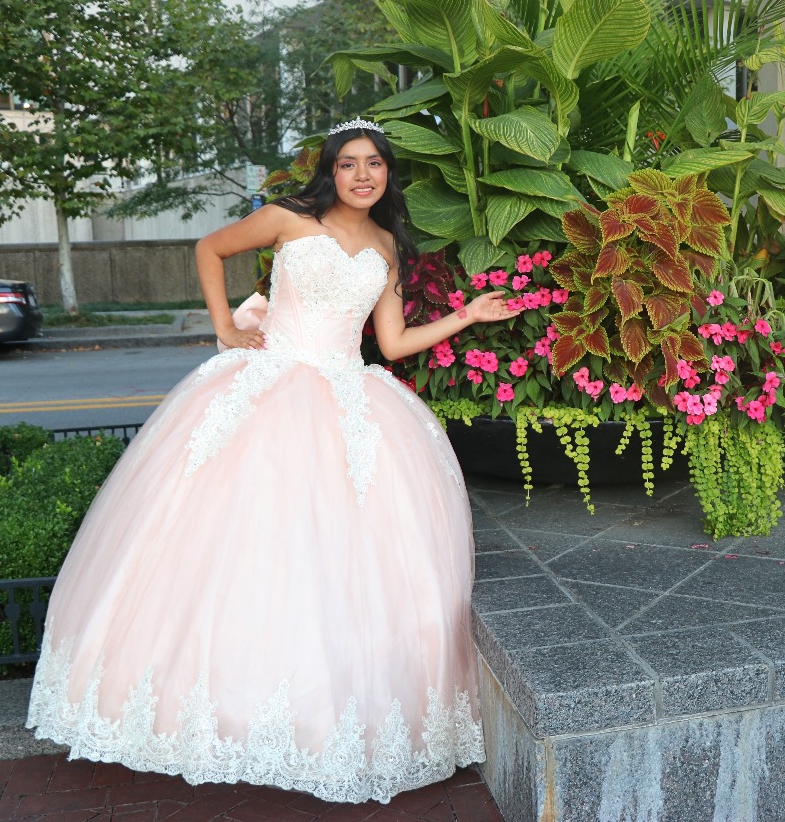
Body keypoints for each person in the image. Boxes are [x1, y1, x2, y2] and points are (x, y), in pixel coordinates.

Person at [26, 119, 514, 804]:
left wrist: (468, 315)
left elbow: (394, 343)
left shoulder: (384, 245)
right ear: (331, 172)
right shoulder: (289, 218)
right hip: (271, 387)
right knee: (237, 546)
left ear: (387, 175)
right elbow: (210, 247)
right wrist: (225, 327)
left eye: (374, 164)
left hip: (350, 398)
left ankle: (325, 712)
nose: (363, 175)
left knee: (339, 565)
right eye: (349, 164)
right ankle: (205, 709)